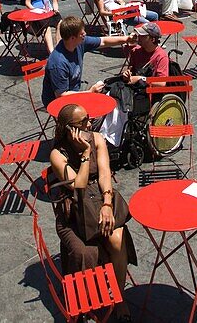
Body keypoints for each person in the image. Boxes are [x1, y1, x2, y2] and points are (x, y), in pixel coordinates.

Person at [49, 102, 135, 319]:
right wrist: (86, 154)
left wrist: (107, 203)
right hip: (76, 212)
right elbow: (78, 185)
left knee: (118, 237)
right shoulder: (57, 155)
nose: (90, 123)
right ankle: (85, 299)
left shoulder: (97, 138)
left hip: (100, 199)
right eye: (84, 122)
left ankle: (120, 298)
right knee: (86, 252)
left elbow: (105, 173)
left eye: (89, 119)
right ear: (70, 129)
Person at [42, 16, 134, 107]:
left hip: (76, 89)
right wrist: (90, 92)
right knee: (98, 111)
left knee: (110, 93)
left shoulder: (79, 42)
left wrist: (127, 39)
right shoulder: (58, 63)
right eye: (82, 33)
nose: (85, 34)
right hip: (58, 102)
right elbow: (61, 95)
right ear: (72, 38)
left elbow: (103, 41)